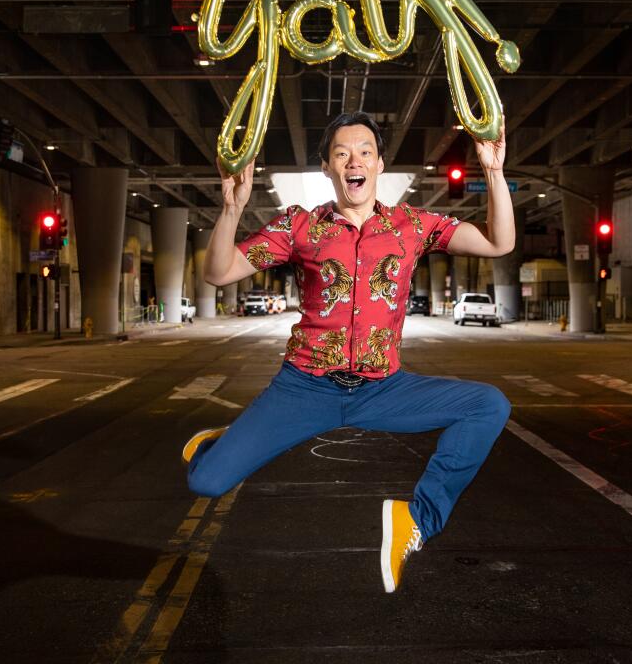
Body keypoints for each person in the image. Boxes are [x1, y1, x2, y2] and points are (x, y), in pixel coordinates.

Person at [182, 111, 514, 593]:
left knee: (488, 405)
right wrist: (232, 207)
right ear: (326, 168)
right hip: (304, 387)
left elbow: (498, 242)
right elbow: (219, 272)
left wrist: (494, 172)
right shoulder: (300, 227)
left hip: (384, 389)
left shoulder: (412, 226)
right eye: (341, 154)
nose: (353, 161)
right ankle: (223, 443)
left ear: (379, 164)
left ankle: (418, 519)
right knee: (206, 482)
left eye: (364, 152)